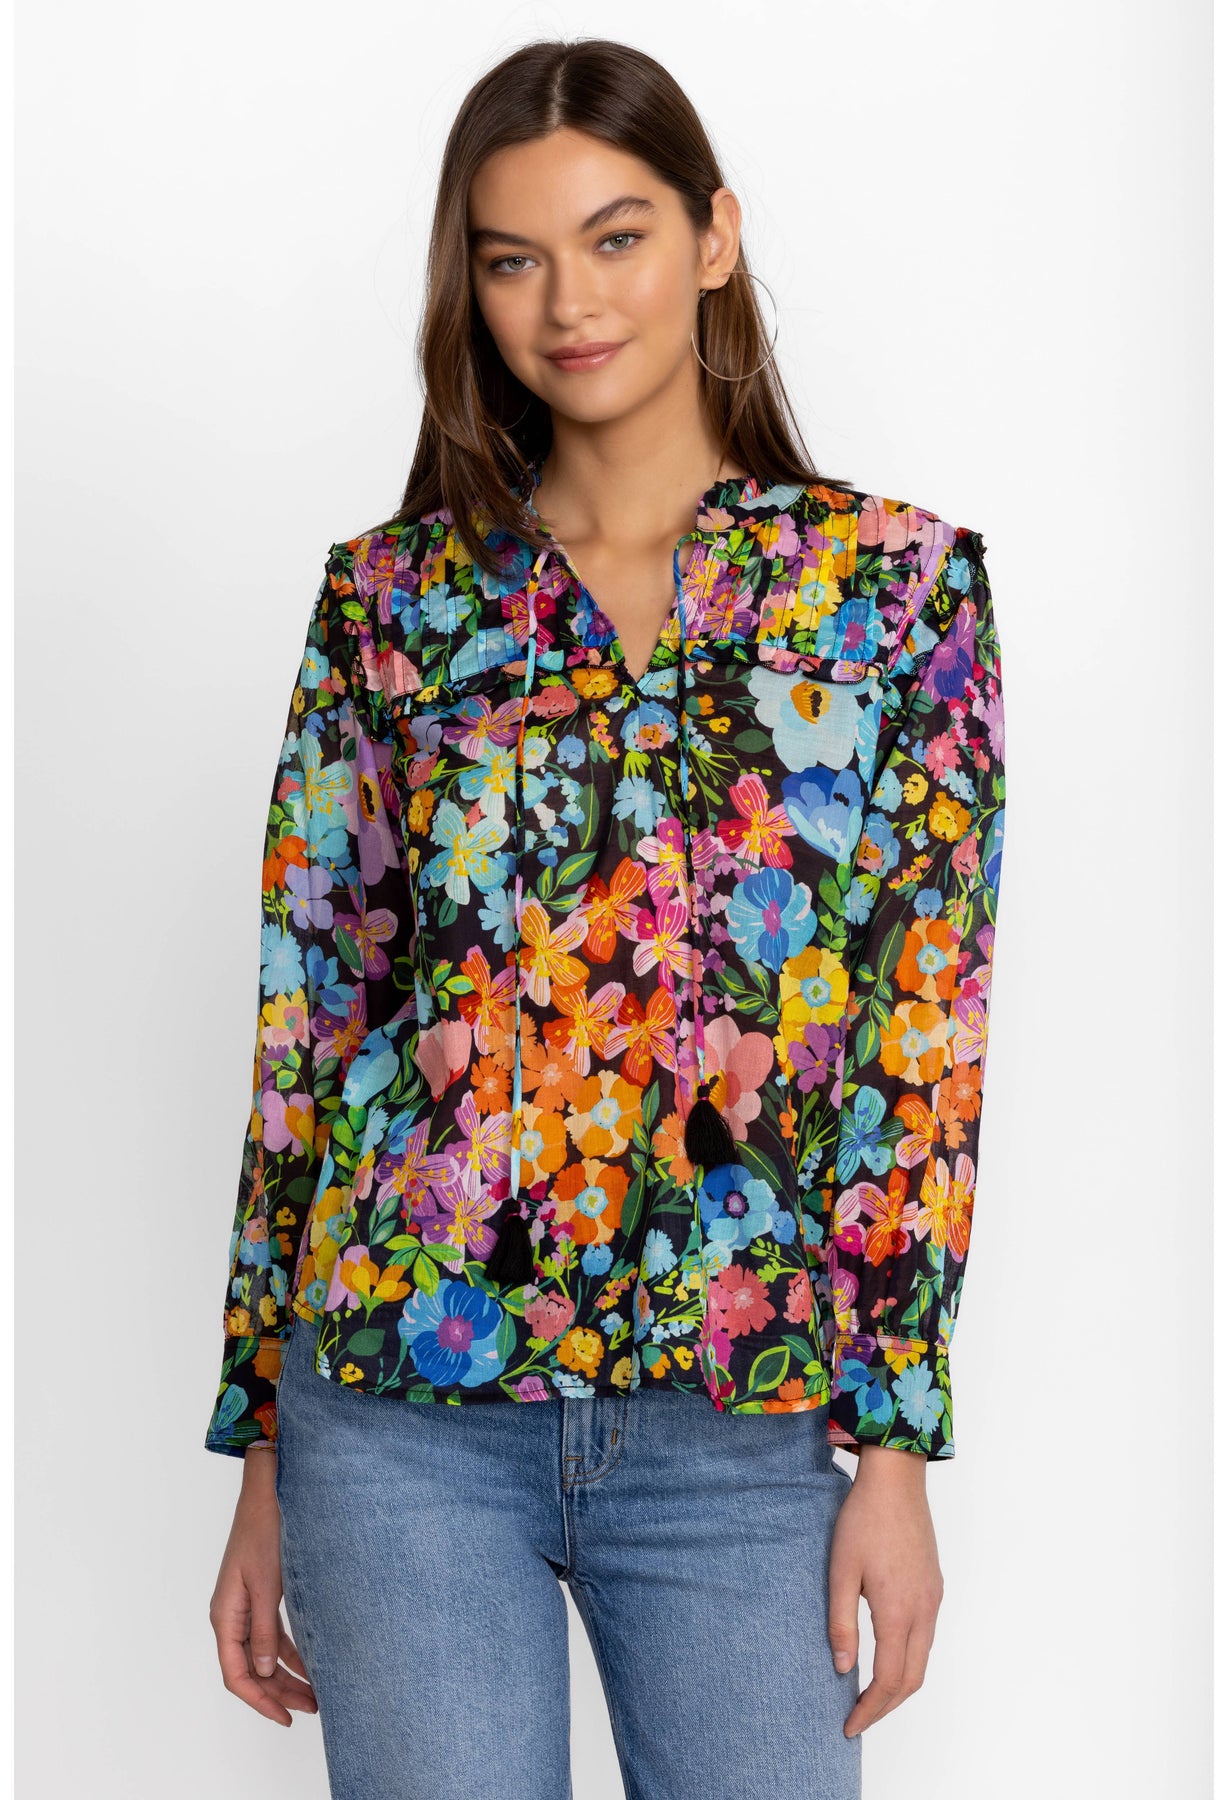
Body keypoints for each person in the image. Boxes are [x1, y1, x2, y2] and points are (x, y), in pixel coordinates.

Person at [205, 36, 1006, 1800]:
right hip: (397, 1413)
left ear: (715, 237)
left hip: (742, 1428)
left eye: (617, 236)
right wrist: (261, 1448)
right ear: (472, 287)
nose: (569, 301)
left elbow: (923, 1049)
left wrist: (895, 1451)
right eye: (514, 258)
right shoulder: (395, 605)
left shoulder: (894, 595)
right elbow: (312, 1026)